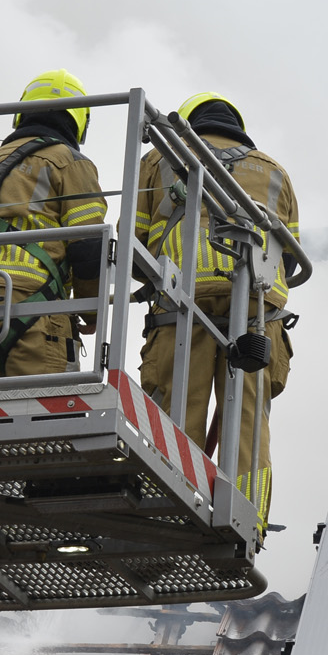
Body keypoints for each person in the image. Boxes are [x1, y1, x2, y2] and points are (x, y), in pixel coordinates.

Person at [136, 92, 300, 528]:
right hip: (257, 309)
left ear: (187, 122)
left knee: (175, 409)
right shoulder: (275, 171)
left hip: (181, 298)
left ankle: (169, 512)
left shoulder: (160, 158)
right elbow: (288, 257)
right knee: (248, 422)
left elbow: (132, 244)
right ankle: (246, 520)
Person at [0, 70, 107, 377]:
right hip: (35, 309)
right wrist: (89, 309)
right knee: (38, 412)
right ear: (78, 121)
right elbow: (88, 246)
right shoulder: (69, 161)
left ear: (21, 113)